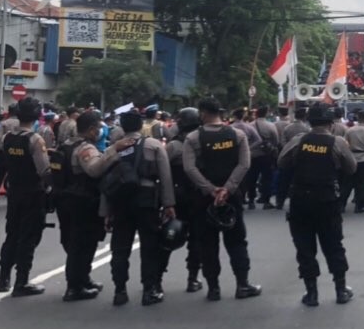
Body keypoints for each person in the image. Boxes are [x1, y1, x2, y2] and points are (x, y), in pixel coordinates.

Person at [278, 102, 358, 306]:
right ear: (331, 123)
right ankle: (340, 290)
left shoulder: (299, 140)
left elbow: (281, 163)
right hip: (327, 200)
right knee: (333, 246)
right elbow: (351, 168)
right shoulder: (337, 142)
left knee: (305, 248)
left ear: (309, 121)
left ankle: (311, 293)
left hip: (300, 200)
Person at [182, 97, 262, 301]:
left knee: (207, 243)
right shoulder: (237, 135)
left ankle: (213, 288)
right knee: (237, 241)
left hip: (203, 199)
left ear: (202, 113)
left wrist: (210, 190)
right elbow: (244, 164)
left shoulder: (193, 138)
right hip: (232, 198)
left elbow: (189, 168)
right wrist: (227, 189)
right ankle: (242, 285)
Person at [54, 111, 132, 301]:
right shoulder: (85, 148)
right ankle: (74, 287)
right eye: (98, 128)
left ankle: (83, 279)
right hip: (82, 202)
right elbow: (94, 170)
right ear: (90, 130)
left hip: (65, 199)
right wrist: (113, 149)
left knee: (79, 242)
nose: (100, 131)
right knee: (81, 244)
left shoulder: (65, 144)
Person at [103, 109, 177, 306]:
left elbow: (107, 182)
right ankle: (149, 290)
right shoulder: (153, 145)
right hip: (146, 200)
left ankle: (119, 291)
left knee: (119, 248)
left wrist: (106, 212)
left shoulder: (114, 149)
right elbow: (165, 177)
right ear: (140, 126)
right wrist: (169, 204)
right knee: (149, 246)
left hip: (120, 202)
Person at [0, 98, 52, 296]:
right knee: (28, 237)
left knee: (12, 234)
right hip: (33, 193)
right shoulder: (35, 140)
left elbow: (2, 159)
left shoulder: (7, 138)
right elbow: (44, 170)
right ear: (37, 116)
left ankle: (4, 279)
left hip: (14, 192)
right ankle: (22, 282)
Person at [166, 107, 205, 292]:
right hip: (199, 196)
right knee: (197, 240)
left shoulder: (174, 146)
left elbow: (161, 169)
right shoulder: (203, 142)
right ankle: (192, 278)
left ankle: (155, 281)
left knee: (168, 236)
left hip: (177, 197)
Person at [232, 107, 266, 211]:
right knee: (250, 178)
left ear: (234, 116)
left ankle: (240, 200)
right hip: (248, 156)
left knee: (236, 178)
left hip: (234, 156)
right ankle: (251, 200)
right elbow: (259, 140)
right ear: (243, 116)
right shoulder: (248, 128)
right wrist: (248, 147)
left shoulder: (230, 128)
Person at [252, 104, 280, 210]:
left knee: (252, 177)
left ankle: (251, 200)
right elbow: (276, 141)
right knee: (267, 178)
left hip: (253, 155)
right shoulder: (271, 125)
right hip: (266, 155)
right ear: (266, 113)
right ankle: (266, 201)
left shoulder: (250, 125)